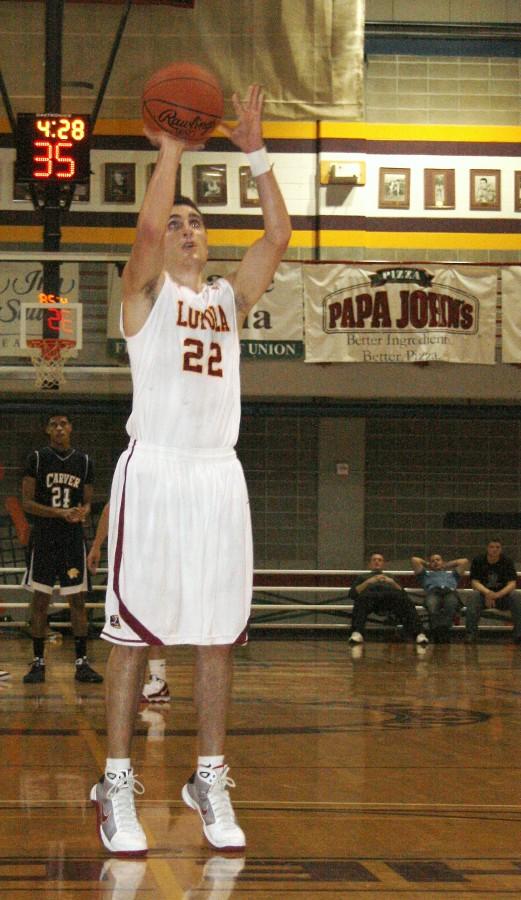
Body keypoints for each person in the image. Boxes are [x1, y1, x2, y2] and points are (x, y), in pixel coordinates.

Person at [90, 83, 291, 857]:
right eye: (175, 222)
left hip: (217, 477)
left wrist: (255, 151)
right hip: (158, 471)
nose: (181, 229)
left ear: (207, 244)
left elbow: (275, 236)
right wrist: (170, 153)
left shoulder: (229, 302)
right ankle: (116, 782)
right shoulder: (142, 299)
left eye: (194, 223)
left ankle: (208, 776)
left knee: (213, 638)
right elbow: (143, 225)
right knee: (132, 636)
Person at [21, 413, 103, 684]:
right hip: (44, 538)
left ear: (71, 428)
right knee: (40, 601)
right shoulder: (37, 458)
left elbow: (89, 503)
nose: (59, 428)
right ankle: (38, 662)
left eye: (63, 424)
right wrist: (58, 513)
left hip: (71, 540)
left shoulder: (85, 461)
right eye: (54, 424)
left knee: (77, 601)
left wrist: (82, 511)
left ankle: (82, 662)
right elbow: (27, 503)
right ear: (47, 430)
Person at [87, 502, 170, 702]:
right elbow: (109, 508)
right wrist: (97, 545)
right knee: (144, 627)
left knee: (133, 633)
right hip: (139, 564)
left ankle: (156, 681)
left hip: (145, 565)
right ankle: (158, 680)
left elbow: (109, 508)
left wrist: (97, 546)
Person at [348, 552, 429, 647]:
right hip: (370, 599)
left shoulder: (391, 576)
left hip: (390, 598)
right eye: (374, 560)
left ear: (383, 564)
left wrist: (392, 582)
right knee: (360, 599)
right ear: (369, 564)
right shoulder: (363, 577)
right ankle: (357, 632)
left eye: (379, 560)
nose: (377, 562)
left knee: (407, 602)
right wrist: (368, 582)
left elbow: (403, 594)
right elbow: (352, 594)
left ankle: (419, 633)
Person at [466, 539, 521, 643]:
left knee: (516, 596)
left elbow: (512, 584)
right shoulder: (478, 561)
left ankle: (519, 634)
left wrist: (497, 595)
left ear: (501, 549)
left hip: (503, 597)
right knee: (473, 596)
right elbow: (474, 582)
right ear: (487, 548)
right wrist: (488, 593)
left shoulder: (507, 561)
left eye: (497, 547)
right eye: (492, 547)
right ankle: (471, 634)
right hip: (483, 596)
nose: (494, 550)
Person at [411, 552, 468, 642]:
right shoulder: (425, 575)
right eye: (433, 561)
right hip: (433, 592)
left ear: (442, 561)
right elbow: (415, 560)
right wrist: (428, 565)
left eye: (438, 560)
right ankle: (437, 633)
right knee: (432, 607)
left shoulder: (452, 575)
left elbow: (464, 561)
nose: (435, 562)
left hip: (449, 592)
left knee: (451, 606)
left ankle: (444, 632)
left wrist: (446, 565)